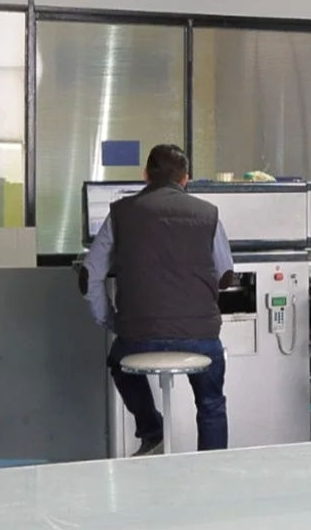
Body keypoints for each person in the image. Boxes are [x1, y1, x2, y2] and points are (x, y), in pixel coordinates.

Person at [81, 144, 233, 454]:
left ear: (145, 175)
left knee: (118, 360)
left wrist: (110, 320)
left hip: (138, 334)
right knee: (211, 402)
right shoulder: (208, 214)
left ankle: (152, 431)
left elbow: (89, 275)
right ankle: (214, 468)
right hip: (200, 335)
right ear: (185, 179)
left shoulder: (120, 213)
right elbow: (225, 275)